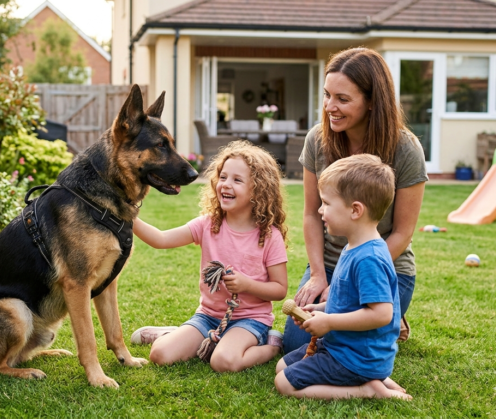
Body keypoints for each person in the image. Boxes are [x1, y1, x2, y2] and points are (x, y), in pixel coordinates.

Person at [283, 47, 428, 354]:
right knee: (296, 343)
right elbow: (311, 214)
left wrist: (344, 283)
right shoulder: (317, 140)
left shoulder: (406, 149)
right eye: (327, 95)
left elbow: (402, 232)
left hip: (380, 268)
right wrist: (319, 275)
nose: (330, 107)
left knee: (333, 345)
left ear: (373, 100)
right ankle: (384, 322)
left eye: (342, 99)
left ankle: (388, 313)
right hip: (328, 265)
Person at [130, 141, 288, 372]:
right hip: (208, 317)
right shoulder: (208, 225)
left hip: (250, 320)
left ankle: (271, 345)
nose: (226, 184)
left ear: (258, 189)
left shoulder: (269, 236)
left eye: (237, 180)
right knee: (160, 354)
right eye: (223, 177)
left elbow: (280, 289)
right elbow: (161, 239)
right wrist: (127, 214)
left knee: (223, 361)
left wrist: (247, 285)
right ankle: (176, 334)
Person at [275, 154, 412, 400]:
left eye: (326, 203)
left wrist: (329, 322)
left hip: (357, 357)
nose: (320, 210)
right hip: (341, 346)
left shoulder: (369, 258)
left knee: (284, 383)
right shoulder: (354, 247)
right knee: (282, 366)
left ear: (355, 210)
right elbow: (350, 302)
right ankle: (376, 380)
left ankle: (367, 389)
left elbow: (382, 314)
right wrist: (319, 309)